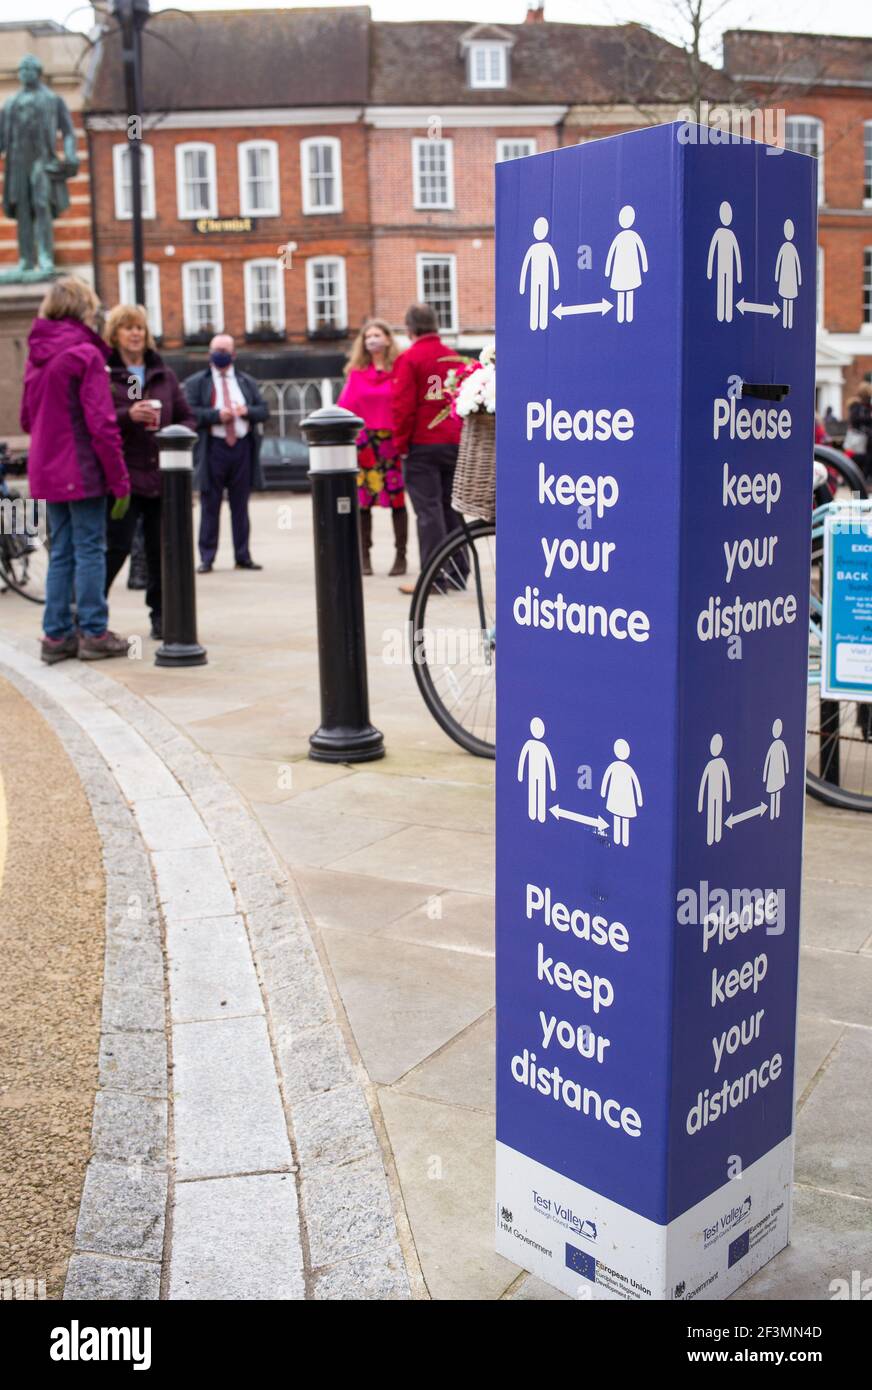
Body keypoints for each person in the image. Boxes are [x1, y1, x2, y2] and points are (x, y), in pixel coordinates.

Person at [21, 276, 130, 663]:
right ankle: (94, 632)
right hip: (80, 468)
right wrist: (120, 480)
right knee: (90, 549)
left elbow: (25, 419)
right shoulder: (84, 354)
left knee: (62, 552)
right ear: (83, 308)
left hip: (46, 469)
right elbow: (101, 424)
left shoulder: (38, 355)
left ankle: (56, 636)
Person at [103, 304, 195, 640]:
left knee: (161, 550)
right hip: (123, 478)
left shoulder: (163, 375)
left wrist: (173, 434)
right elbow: (100, 421)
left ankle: (161, 617)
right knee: (116, 546)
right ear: (115, 335)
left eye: (140, 327)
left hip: (161, 478)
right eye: (128, 327)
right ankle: (90, 616)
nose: (135, 333)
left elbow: (188, 418)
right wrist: (130, 416)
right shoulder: (107, 375)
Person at [392, 303, 465, 595]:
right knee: (452, 508)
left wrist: (400, 444)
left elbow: (403, 407)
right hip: (453, 441)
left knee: (428, 512)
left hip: (422, 444)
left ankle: (434, 578)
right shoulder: (453, 357)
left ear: (409, 329)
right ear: (436, 325)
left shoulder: (409, 359)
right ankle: (459, 572)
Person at [183, 333, 269, 572]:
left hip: (241, 448)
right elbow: (189, 413)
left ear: (234, 354)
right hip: (213, 448)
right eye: (216, 349)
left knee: (240, 506)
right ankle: (207, 557)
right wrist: (216, 415)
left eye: (225, 349)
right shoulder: (196, 382)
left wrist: (246, 411)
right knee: (210, 505)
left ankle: (243, 556)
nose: (220, 353)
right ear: (209, 353)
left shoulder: (246, 382)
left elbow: (263, 410)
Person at [337, 319, 407, 576]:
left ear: (388, 338)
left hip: (391, 441)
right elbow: (344, 406)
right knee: (363, 502)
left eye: (377, 335)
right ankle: (364, 556)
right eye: (367, 336)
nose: (372, 340)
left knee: (397, 501)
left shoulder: (399, 369)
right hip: (364, 442)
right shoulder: (355, 372)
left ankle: (401, 556)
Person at [846, 382, 872, 479]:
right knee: (858, 474)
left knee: (857, 475)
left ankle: (859, 493)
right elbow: (856, 420)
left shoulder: (862, 407)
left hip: (862, 445)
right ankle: (858, 493)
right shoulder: (858, 407)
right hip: (860, 444)